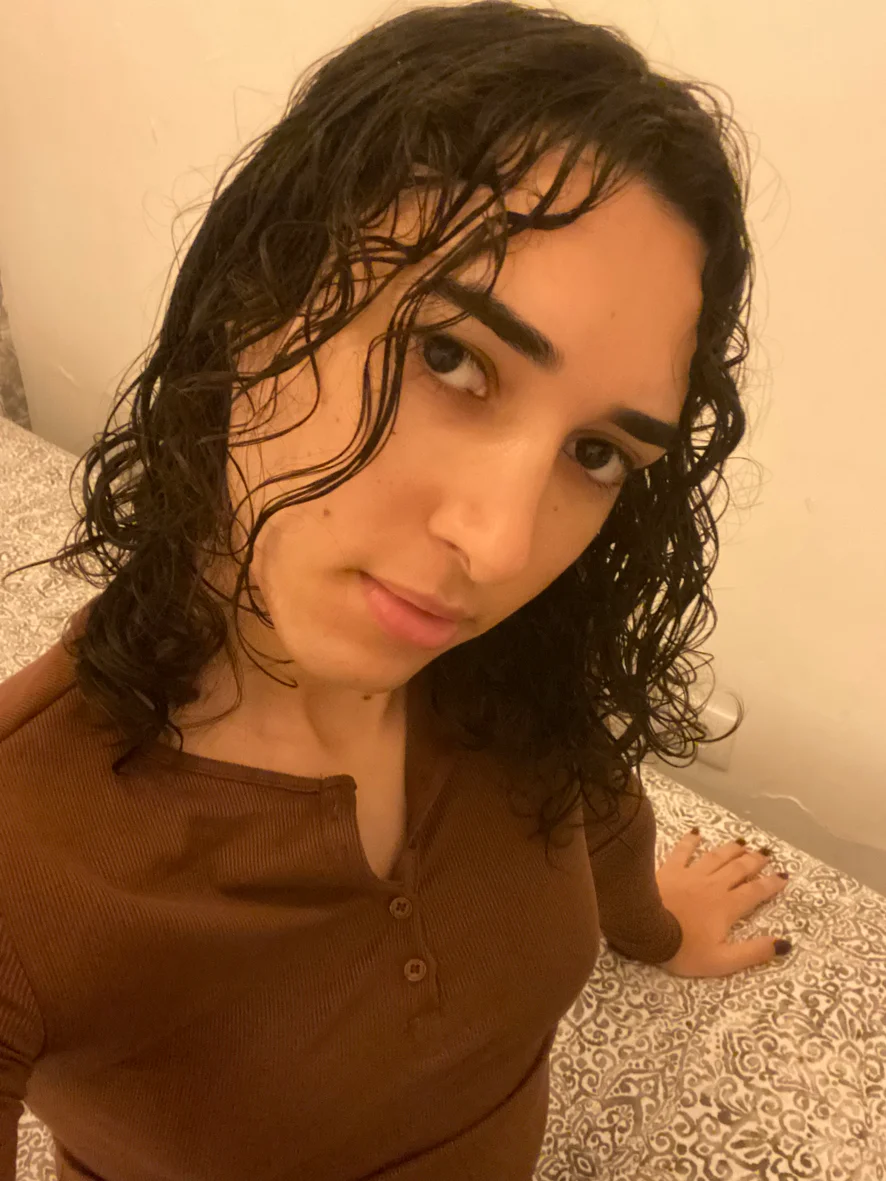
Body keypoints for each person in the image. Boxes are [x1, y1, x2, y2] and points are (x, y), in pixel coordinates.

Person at [0, 3, 792, 1178]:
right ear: (253, 294)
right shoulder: (24, 851)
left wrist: (656, 926)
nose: (501, 544)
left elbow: (596, 805)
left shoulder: (508, 677)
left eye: (595, 453)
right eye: (451, 356)